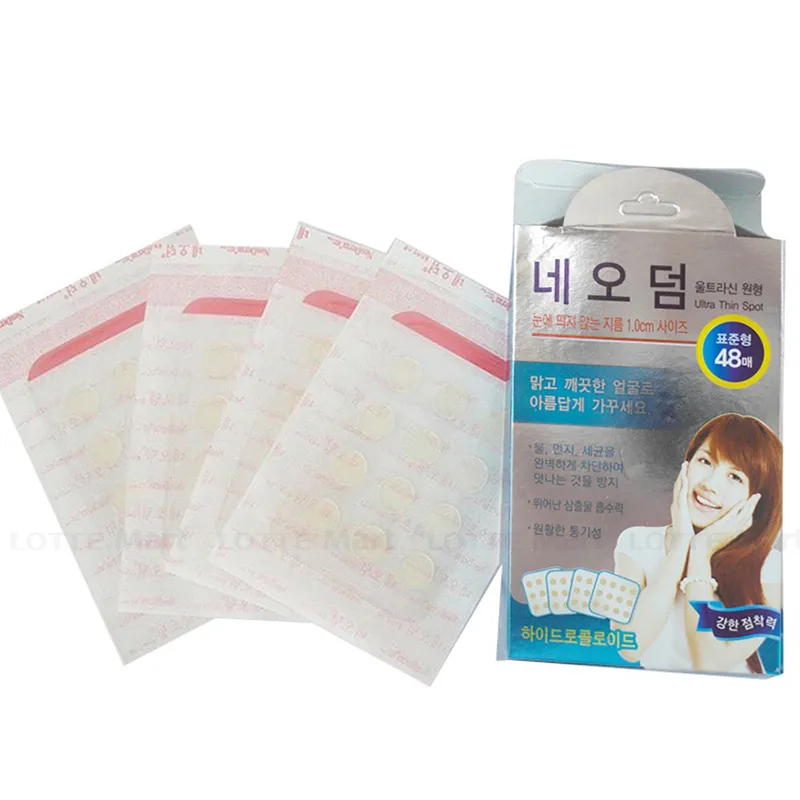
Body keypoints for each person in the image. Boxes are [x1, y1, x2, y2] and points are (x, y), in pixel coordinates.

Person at [612, 413, 782, 673]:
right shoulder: (636, 542)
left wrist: (701, 551)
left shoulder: (770, 567)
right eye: (705, 461)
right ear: (687, 464)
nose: (709, 485)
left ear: (757, 500)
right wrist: (681, 544)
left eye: (735, 477)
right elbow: (628, 645)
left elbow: (709, 664)